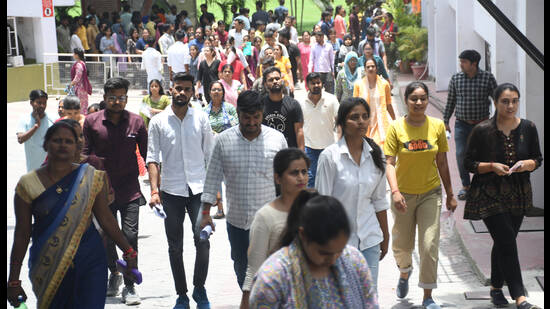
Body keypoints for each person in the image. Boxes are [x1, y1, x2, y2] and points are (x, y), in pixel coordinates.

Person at [7, 121, 138, 309]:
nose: (62, 145)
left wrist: (129, 250)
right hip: (48, 263)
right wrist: (13, 280)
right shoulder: (28, 184)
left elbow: (106, 218)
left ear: (77, 147)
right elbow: (22, 233)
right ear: (46, 144)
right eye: (56, 140)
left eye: (68, 141)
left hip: (90, 260)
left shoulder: (91, 177)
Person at [463, 83, 542, 309]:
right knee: (507, 239)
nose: (510, 106)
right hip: (488, 193)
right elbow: (468, 163)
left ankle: (496, 288)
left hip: (518, 192)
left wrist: (529, 164)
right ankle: (520, 297)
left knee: (504, 242)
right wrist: (491, 166)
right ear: (495, 102)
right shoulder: (482, 130)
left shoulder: (528, 127)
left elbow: (538, 158)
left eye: (514, 101)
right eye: (505, 101)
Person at [199, 90, 288, 289]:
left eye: (256, 117)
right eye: (246, 118)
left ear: (262, 114)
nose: (251, 122)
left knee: (269, 272)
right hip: (237, 222)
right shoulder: (223, 141)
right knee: (242, 269)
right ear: (238, 114)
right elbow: (212, 178)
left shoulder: (277, 139)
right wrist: (205, 213)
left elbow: (287, 180)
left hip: (269, 223)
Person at [384, 81, 457, 309]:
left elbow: (443, 162)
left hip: (430, 193)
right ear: (405, 101)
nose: (419, 102)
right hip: (403, 195)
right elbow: (389, 163)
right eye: (413, 98)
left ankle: (428, 295)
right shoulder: (396, 127)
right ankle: (404, 272)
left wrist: (450, 194)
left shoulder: (436, 126)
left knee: (429, 245)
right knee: (403, 245)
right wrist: (395, 192)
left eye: (423, 98)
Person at [146, 73, 214, 309]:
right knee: (175, 247)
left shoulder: (201, 119)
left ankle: (200, 289)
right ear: (170, 91)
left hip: (198, 190)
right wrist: (154, 191)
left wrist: (214, 191)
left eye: (187, 89)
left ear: (192, 92)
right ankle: (182, 295)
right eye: (178, 88)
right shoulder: (158, 122)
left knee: (203, 241)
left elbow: (210, 157)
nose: (182, 93)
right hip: (171, 192)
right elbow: (152, 159)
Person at [249, 191, 379, 307]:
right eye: (324, 253)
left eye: (339, 251)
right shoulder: (272, 279)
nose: (333, 259)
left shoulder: (354, 260)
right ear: (303, 235)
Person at [83, 77, 148, 305]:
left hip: (130, 190)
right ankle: (114, 273)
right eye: (112, 98)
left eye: (121, 98)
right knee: (108, 237)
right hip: (101, 193)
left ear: (126, 99)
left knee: (129, 236)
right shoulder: (91, 122)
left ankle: (130, 286)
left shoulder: (137, 123)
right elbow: (85, 154)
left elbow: (145, 154)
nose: (117, 102)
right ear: (104, 98)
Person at [316, 96, 390, 292]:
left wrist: (385, 235)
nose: (361, 121)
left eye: (365, 116)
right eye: (354, 117)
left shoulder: (376, 155)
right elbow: (322, 206)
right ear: (341, 122)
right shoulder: (329, 157)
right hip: (339, 245)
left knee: (368, 299)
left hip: (370, 239)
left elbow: (379, 201)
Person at [240, 148, 310, 308]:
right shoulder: (265, 217)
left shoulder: (316, 209)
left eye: (304, 172)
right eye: (294, 173)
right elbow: (254, 270)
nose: (301, 178)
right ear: (278, 178)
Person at [443, 49, 498, 201]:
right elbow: (450, 101)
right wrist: (446, 121)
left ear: (474, 63)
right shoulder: (456, 78)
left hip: (482, 125)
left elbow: (497, 99)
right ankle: (466, 186)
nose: (461, 64)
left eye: (464, 62)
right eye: (460, 61)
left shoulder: (487, 78)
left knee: (485, 156)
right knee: (461, 154)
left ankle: (484, 186)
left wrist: (497, 120)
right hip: (461, 124)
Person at [203, 81, 239, 219]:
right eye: (214, 90)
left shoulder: (230, 108)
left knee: (232, 180)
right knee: (215, 179)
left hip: (230, 148)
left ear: (223, 92)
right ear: (209, 92)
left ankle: (234, 206)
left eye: (219, 90)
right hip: (212, 150)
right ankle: (220, 208)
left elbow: (237, 125)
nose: (216, 92)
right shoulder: (204, 111)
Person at [299, 72, 339, 188]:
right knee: (310, 178)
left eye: (318, 82)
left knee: (329, 178)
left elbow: (340, 121)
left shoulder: (331, 99)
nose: (316, 85)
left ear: (322, 83)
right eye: (313, 83)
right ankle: (311, 204)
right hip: (309, 147)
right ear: (308, 85)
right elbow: (299, 126)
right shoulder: (301, 102)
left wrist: (341, 142)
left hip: (328, 147)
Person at [353, 58, 395, 145]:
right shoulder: (358, 85)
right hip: (364, 122)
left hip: (380, 122)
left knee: (380, 147)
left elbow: (388, 105)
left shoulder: (384, 84)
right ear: (364, 69)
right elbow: (354, 107)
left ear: (376, 68)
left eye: (373, 66)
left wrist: (395, 120)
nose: (370, 69)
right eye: (368, 67)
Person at [262, 66, 304, 150]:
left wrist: (301, 155)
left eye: (277, 78)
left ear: (282, 80)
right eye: (271, 80)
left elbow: (299, 131)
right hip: (267, 151)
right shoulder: (260, 105)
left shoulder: (293, 104)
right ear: (265, 84)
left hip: (289, 152)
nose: (275, 81)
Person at [17, 90, 55, 172]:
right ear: (31, 103)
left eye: (44, 103)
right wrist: (36, 126)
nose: (42, 105)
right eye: (39, 102)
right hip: (32, 171)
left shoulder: (53, 119)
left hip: (50, 171)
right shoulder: (24, 119)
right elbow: (20, 139)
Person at [69, 48, 93, 115]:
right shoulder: (82, 63)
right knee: (83, 104)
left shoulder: (79, 64)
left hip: (80, 88)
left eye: (74, 53)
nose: (73, 55)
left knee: (80, 104)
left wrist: (72, 83)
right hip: (83, 87)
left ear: (77, 55)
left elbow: (78, 76)